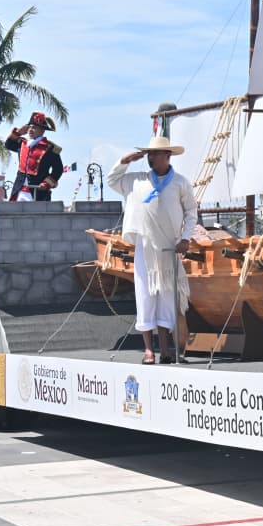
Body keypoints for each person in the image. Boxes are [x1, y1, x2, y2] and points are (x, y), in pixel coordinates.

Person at [107, 135, 197, 365]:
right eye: (149, 153)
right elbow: (112, 180)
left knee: (166, 298)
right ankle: (148, 350)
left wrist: (186, 238)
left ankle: (165, 349)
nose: (151, 157)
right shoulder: (136, 180)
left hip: (169, 247)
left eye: (156, 153)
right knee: (145, 295)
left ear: (167, 155)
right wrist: (125, 161)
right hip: (145, 247)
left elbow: (191, 212)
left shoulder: (180, 183)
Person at [5, 112, 63, 201]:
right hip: (19, 189)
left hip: (38, 192)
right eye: (30, 127)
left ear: (42, 131)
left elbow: (58, 169)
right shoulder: (22, 143)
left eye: (34, 128)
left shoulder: (50, 148)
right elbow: (8, 145)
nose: (31, 130)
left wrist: (47, 183)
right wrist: (18, 132)